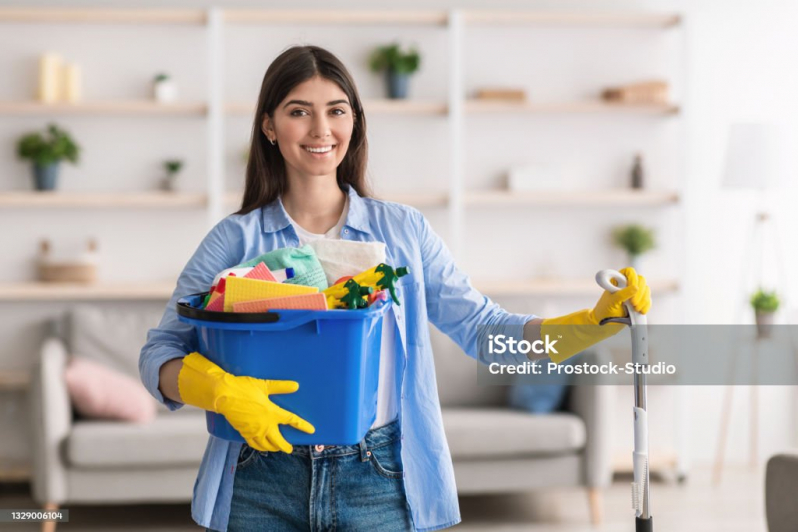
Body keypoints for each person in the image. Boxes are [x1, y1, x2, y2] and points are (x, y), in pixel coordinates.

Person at [139, 45, 651, 532]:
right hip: (259, 478)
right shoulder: (235, 240)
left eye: (337, 110)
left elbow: (483, 330)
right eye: (299, 111)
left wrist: (590, 324)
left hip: (379, 478)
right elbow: (160, 353)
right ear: (269, 126)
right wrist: (221, 392)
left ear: (355, 121)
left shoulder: (403, 233)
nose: (321, 128)